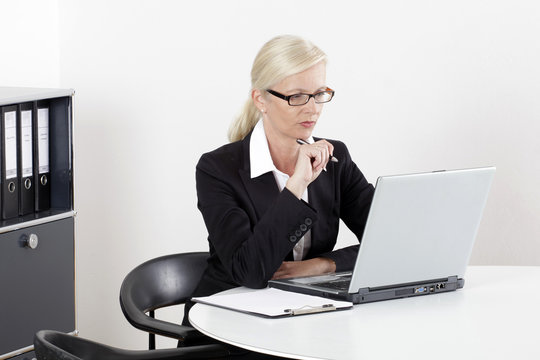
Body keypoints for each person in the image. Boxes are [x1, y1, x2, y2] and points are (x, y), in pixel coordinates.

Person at [182, 34, 374, 345]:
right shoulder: (217, 169)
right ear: (261, 99)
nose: (312, 109)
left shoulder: (336, 159)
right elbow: (251, 270)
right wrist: (296, 184)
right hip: (228, 332)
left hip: (303, 322)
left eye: (319, 93)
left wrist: (320, 266)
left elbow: (387, 242)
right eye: (297, 96)